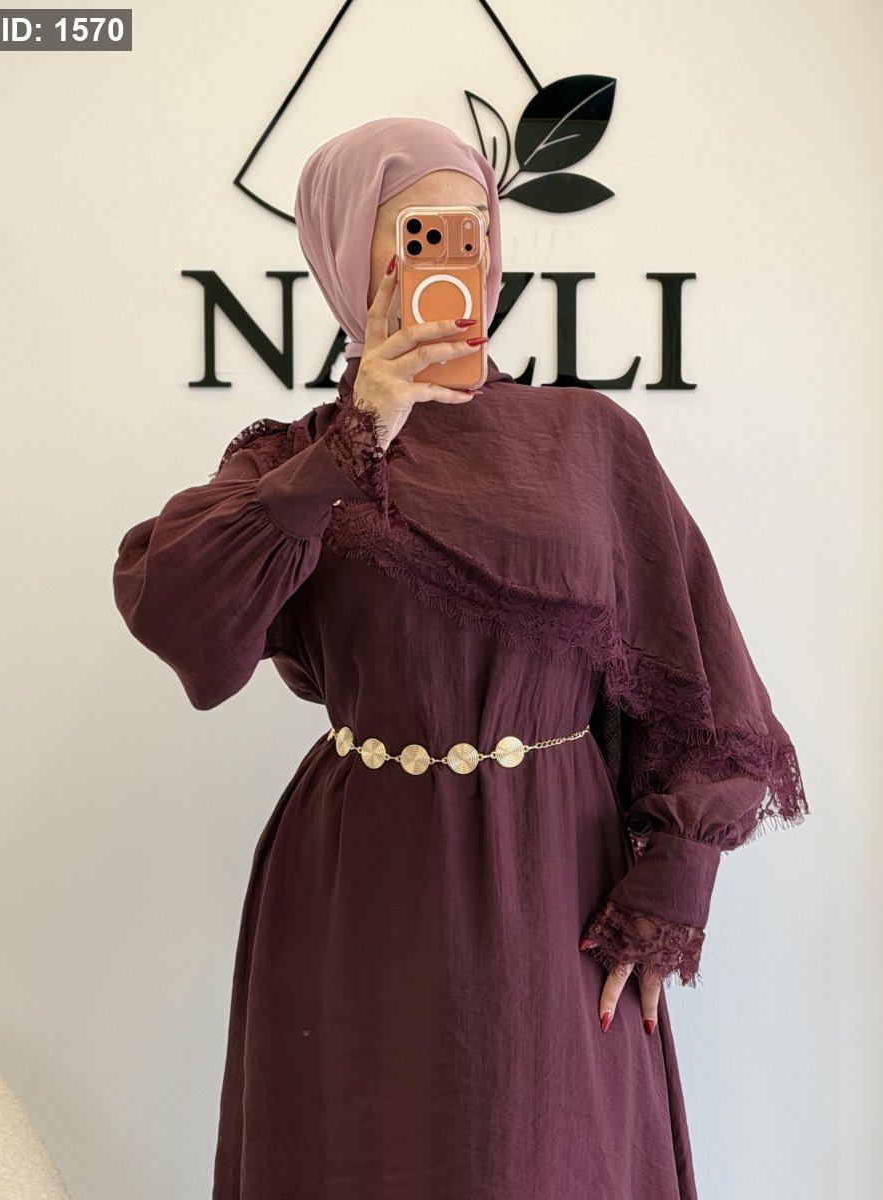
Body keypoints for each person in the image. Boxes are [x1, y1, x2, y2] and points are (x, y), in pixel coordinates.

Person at [112, 116, 809, 1200]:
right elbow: (179, 611)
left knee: (541, 1156)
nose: (459, 261)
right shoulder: (293, 461)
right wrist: (356, 437)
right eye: (420, 234)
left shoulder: (587, 441)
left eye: (475, 231)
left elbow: (704, 674)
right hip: (357, 888)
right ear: (351, 255)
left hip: (554, 888)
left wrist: (675, 877)